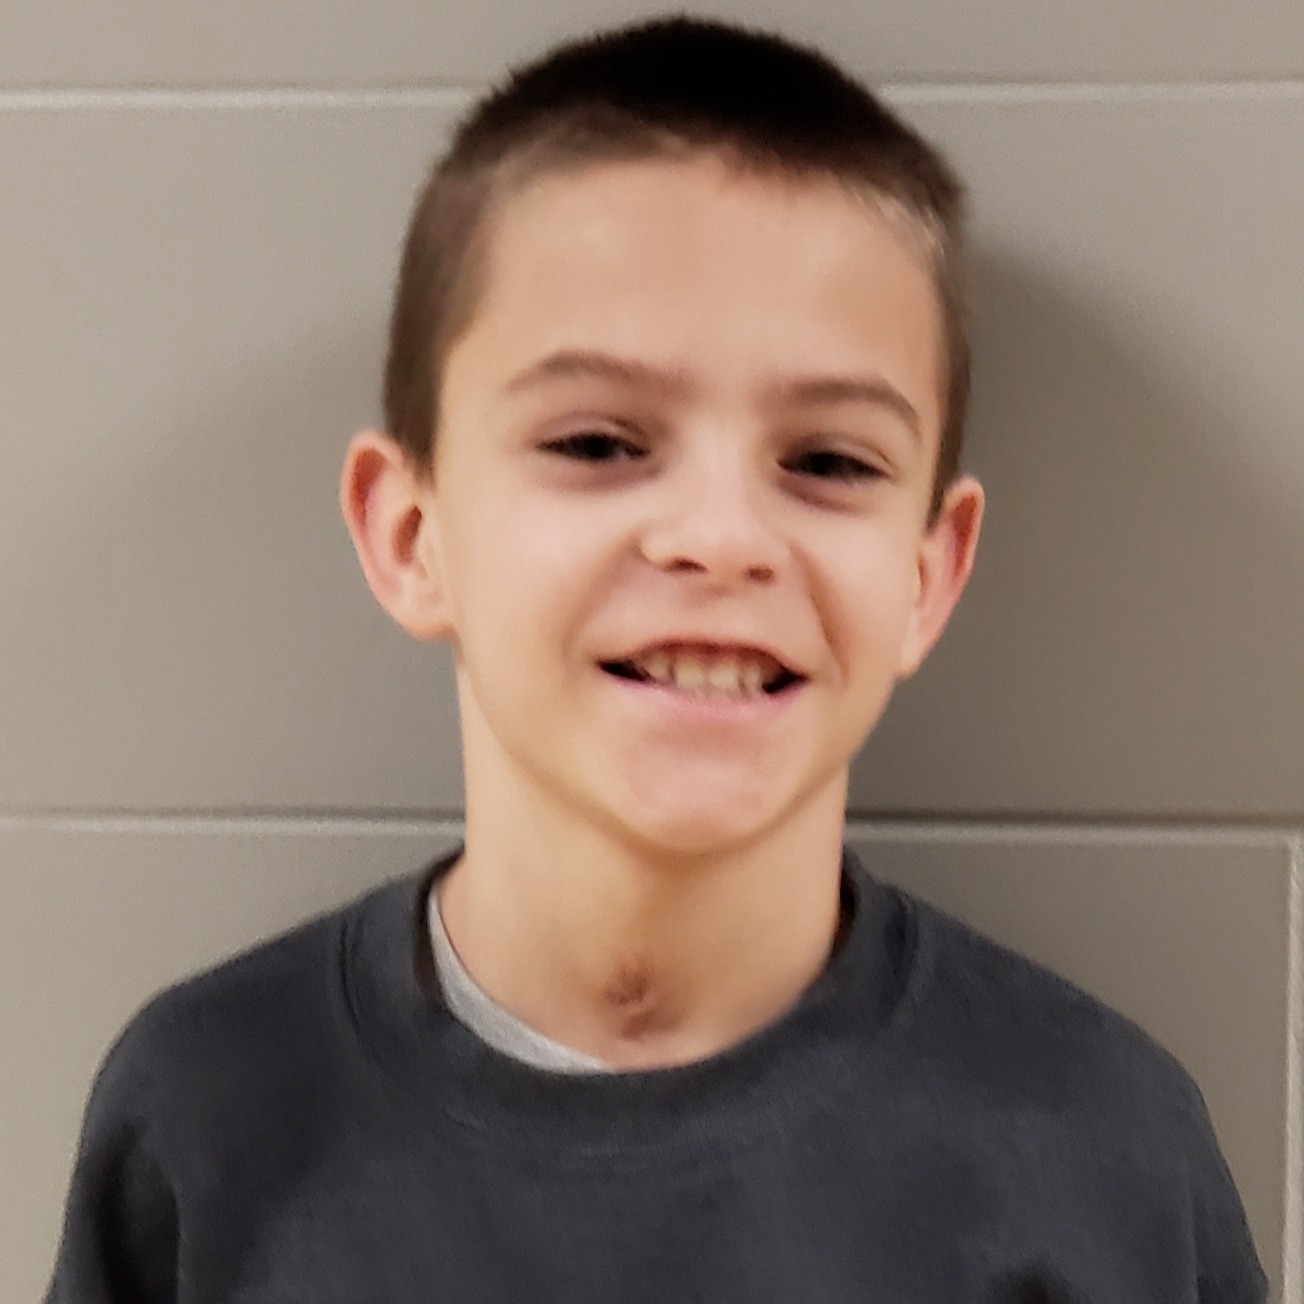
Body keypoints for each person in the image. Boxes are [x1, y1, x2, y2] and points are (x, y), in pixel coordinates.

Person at [45, 15, 1267, 1303]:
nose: (720, 538)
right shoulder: (203, 1120)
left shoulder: (1102, 1153)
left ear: (927, 576)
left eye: (830, 461)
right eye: (596, 442)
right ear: (413, 535)